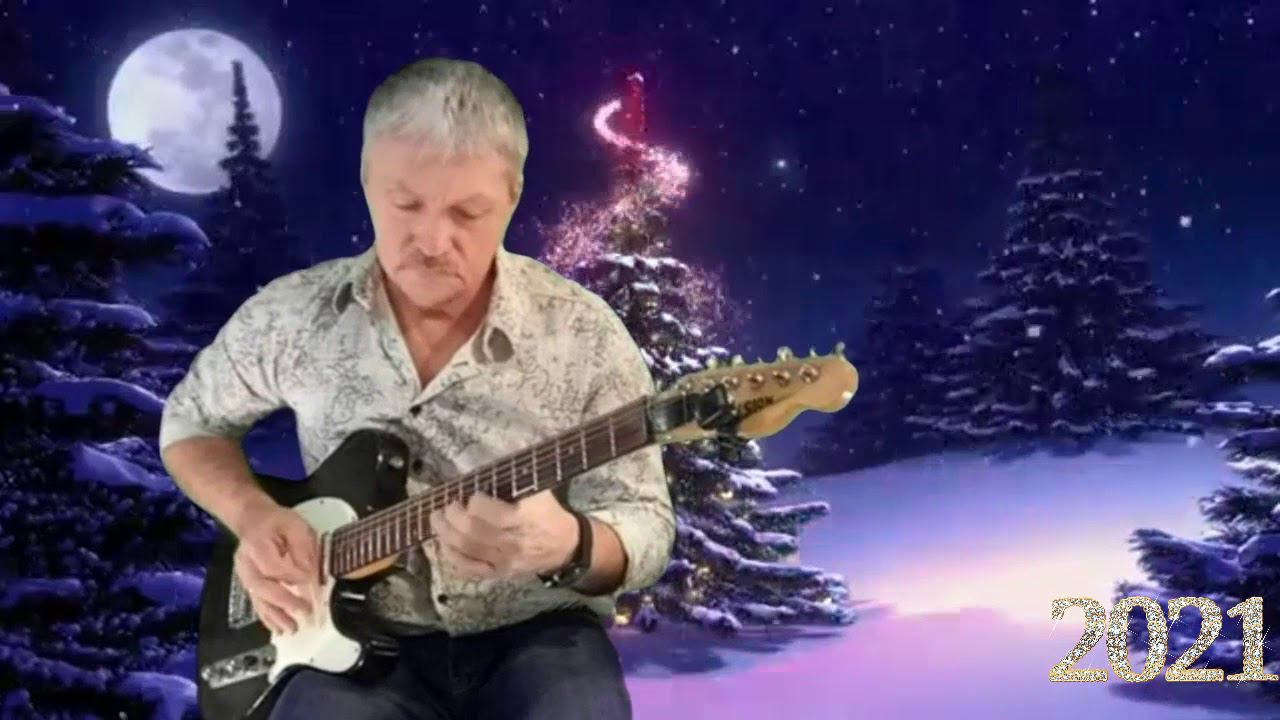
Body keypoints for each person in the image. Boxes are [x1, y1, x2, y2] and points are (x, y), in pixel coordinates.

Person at [158, 57, 676, 719]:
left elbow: (645, 521)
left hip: (540, 635)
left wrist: (569, 545)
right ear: (366, 180)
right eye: (405, 205)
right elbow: (192, 423)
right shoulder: (292, 315)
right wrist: (254, 518)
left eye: (468, 212)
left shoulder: (585, 332)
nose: (432, 241)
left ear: (513, 196)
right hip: (343, 643)